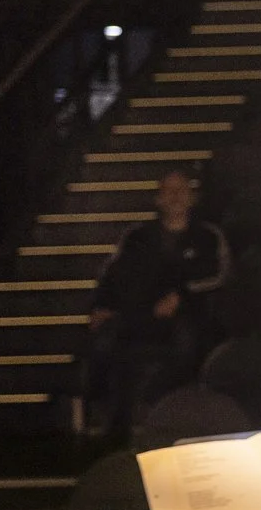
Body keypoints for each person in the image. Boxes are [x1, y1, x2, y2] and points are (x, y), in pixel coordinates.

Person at [87, 168, 231, 435]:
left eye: (181, 190)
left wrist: (181, 296)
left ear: (192, 198)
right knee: (108, 342)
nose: (175, 196)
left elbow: (219, 276)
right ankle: (110, 421)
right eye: (169, 190)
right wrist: (103, 306)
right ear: (158, 198)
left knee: (186, 343)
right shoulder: (137, 237)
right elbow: (113, 274)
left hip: (190, 318)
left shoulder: (208, 236)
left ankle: (166, 415)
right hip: (142, 315)